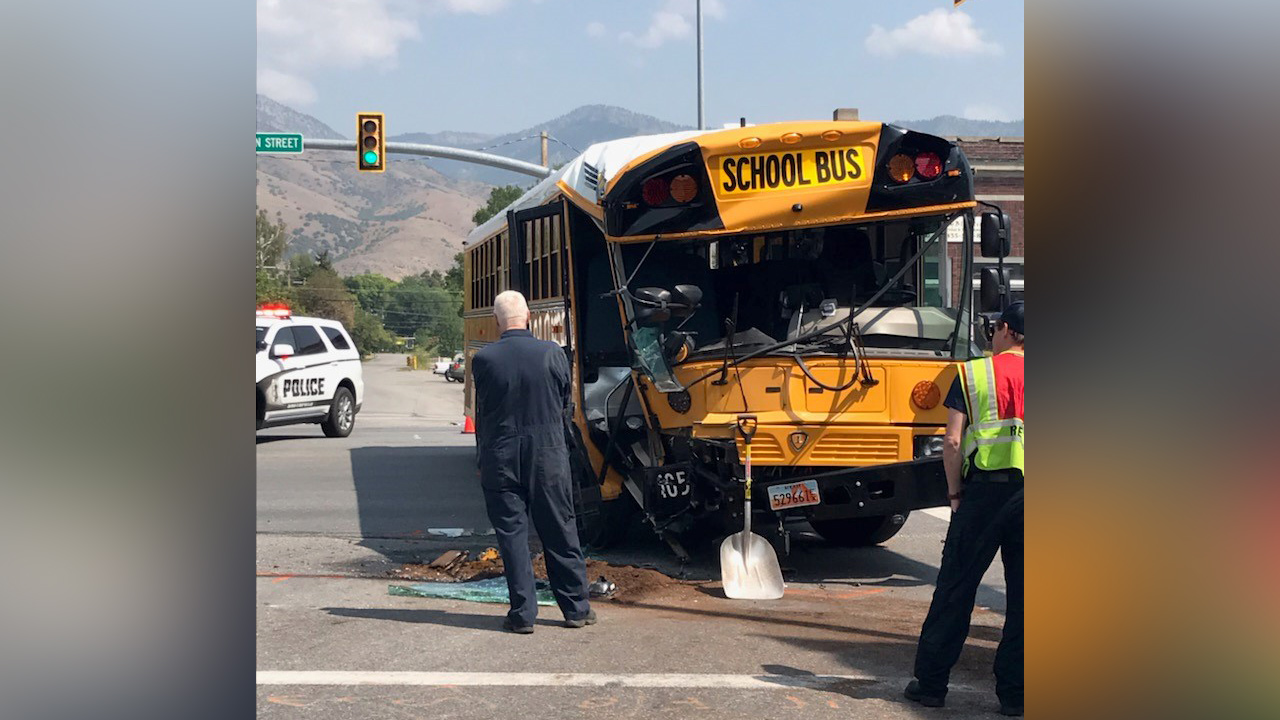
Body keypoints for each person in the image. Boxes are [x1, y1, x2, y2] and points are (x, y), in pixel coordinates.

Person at [905, 301, 1025, 716]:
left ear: (1006, 330)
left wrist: (954, 494)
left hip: (982, 497)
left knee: (956, 588)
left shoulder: (975, 373)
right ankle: (1016, 695)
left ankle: (932, 686)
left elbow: (953, 442)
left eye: (994, 329)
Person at [471, 290, 595, 634]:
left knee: (512, 535)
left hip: (501, 454)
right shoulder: (552, 353)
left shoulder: (484, 360)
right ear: (528, 317)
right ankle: (576, 608)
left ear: (497, 322)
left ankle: (524, 614)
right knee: (559, 528)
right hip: (548, 452)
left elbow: (484, 412)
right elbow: (564, 404)